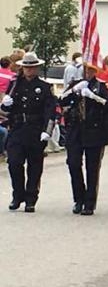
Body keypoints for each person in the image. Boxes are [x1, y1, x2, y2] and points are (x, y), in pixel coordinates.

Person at [1, 52, 56, 212]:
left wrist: (47, 131)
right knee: (14, 163)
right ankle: (18, 195)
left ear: (36, 68)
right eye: (26, 68)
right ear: (22, 68)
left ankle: (31, 198)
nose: (29, 71)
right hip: (18, 128)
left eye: (32, 68)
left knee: (35, 166)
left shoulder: (45, 87)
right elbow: (6, 110)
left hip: (36, 129)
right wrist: (5, 104)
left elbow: (50, 111)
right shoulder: (15, 85)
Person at [59, 62, 108, 215]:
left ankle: (90, 203)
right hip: (75, 129)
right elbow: (61, 100)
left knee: (92, 167)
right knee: (73, 163)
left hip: (93, 130)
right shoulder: (75, 84)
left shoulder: (101, 86)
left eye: (90, 69)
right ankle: (78, 199)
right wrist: (74, 91)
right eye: (85, 69)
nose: (87, 72)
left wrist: (94, 96)